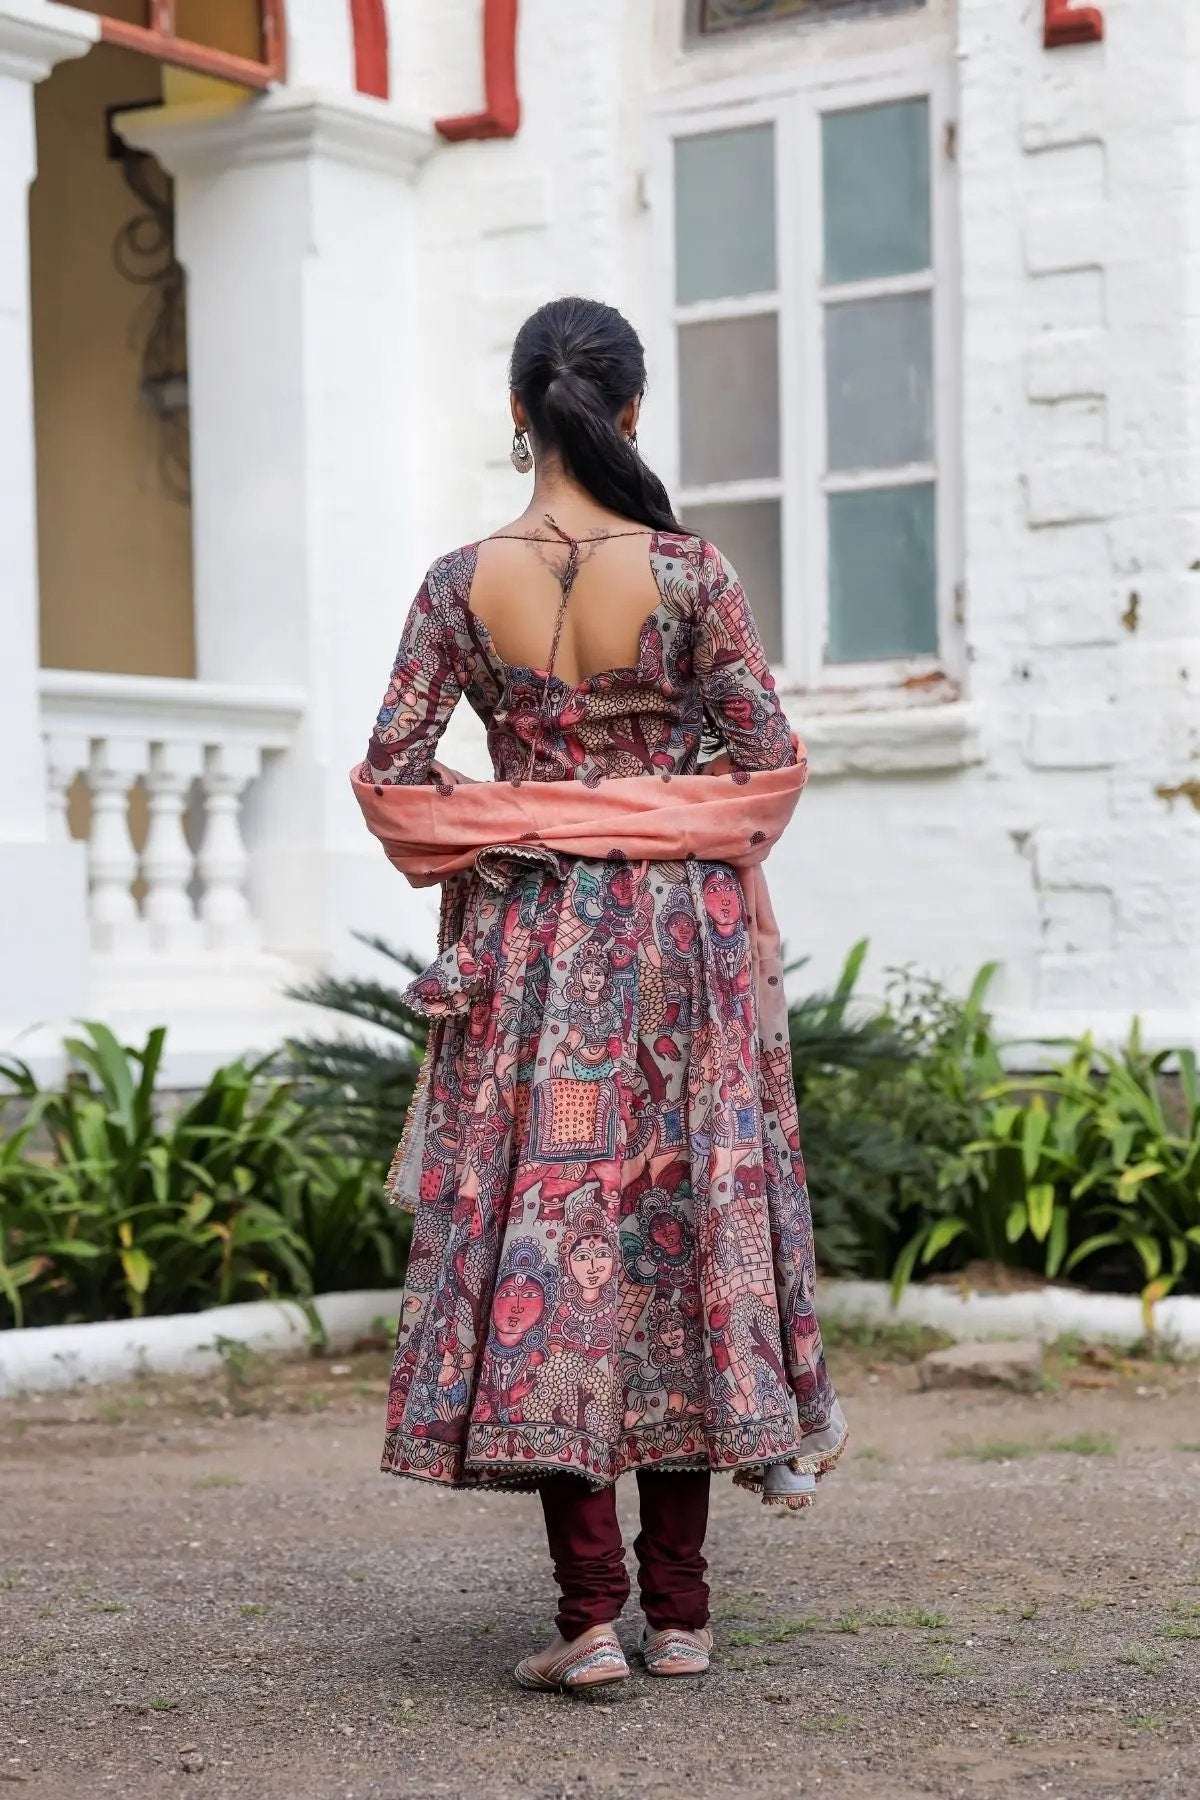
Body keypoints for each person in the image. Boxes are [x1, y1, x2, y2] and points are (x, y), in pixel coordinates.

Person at [352, 296, 847, 1693]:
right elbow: (768, 768)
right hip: (679, 953)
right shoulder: (692, 577)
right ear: (628, 414)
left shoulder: (458, 586)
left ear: (521, 413)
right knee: (679, 1234)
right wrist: (655, 821)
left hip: (526, 946)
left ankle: (587, 1625)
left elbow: (390, 784)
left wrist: (517, 817)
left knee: (551, 1245)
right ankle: (679, 1616)